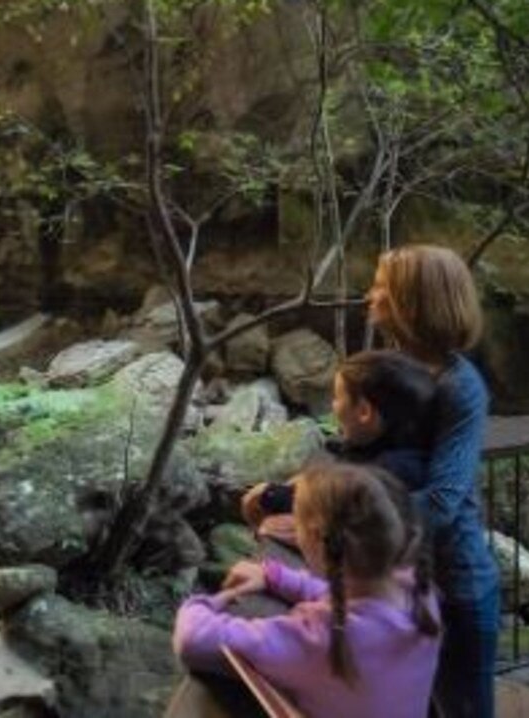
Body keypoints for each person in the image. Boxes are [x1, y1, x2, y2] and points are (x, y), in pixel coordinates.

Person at [173, 463, 441, 718]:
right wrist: (275, 576)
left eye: (296, 524)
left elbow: (193, 638)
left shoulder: (319, 638)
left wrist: (216, 599)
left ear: (315, 538)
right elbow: (352, 598)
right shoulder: (418, 591)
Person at [367, 244, 500, 718]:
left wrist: (353, 524)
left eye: (381, 286)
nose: (371, 296)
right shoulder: (391, 370)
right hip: (401, 580)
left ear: (413, 299)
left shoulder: (460, 387)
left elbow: (443, 500)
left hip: (457, 583)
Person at [240, 349, 438, 533]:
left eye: (336, 398)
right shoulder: (389, 443)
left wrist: (271, 495)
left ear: (364, 412)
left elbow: (336, 504)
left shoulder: (394, 470)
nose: (333, 406)